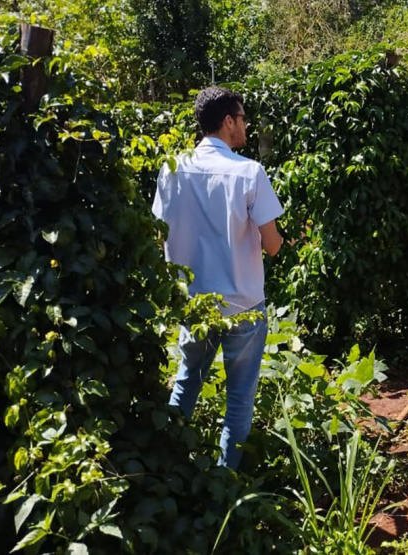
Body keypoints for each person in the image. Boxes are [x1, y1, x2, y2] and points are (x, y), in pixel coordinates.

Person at [152, 86, 285, 469]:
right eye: (242, 119)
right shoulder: (249, 173)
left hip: (194, 301)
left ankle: (170, 467)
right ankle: (226, 481)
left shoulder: (172, 168)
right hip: (242, 303)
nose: (245, 126)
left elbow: (160, 230)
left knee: (185, 384)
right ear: (228, 122)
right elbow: (272, 245)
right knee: (239, 398)